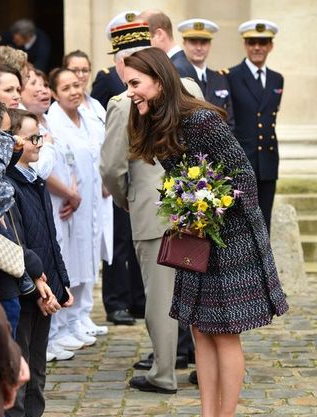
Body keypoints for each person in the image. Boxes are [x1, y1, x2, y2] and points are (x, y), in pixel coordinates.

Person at [123, 47, 288, 417]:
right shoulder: (155, 122)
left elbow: (244, 178)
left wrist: (202, 207)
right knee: (199, 330)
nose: (130, 93)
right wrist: (184, 209)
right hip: (196, 239)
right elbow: (182, 180)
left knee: (223, 332)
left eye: (134, 84)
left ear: (159, 81)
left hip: (230, 239)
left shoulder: (201, 120)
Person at [101, 23, 204, 393]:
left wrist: (126, 199)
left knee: (160, 297)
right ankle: (202, 365)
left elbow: (112, 168)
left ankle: (163, 373)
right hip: (193, 207)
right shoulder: (189, 88)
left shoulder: (121, 104)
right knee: (194, 289)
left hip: (151, 211)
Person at [6, 109, 73, 417]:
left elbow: (50, 238)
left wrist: (60, 283)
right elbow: (18, 245)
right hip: (26, 290)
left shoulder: (35, 181)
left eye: (40, 137)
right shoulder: (9, 185)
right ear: (13, 142)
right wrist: (37, 289)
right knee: (22, 364)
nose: (39, 144)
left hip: (47, 288)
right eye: (33, 138)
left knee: (38, 365)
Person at [134, 9, 198, 371]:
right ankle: (183, 349)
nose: (129, 92)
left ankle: (179, 351)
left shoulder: (181, 79)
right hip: (179, 203)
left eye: (134, 84)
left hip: (184, 207)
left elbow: (204, 160)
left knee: (175, 285)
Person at [46, 67, 109, 347]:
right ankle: (65, 320)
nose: (74, 91)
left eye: (76, 85)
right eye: (66, 88)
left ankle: (81, 315)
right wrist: (69, 193)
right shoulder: (54, 123)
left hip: (91, 199)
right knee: (69, 259)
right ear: (54, 94)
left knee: (88, 255)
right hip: (67, 202)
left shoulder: (87, 116)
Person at [92, 11, 145, 326]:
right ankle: (116, 302)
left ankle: (139, 299)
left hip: (141, 169)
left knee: (140, 238)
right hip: (117, 170)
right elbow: (101, 127)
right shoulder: (107, 79)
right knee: (119, 241)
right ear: (120, 57)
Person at [226, 19, 283, 234]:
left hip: (268, 163)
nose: (257, 47)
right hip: (242, 162)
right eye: (252, 42)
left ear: (270, 46)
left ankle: (264, 268)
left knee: (264, 224)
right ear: (245, 45)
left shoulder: (277, 79)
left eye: (263, 42)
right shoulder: (231, 76)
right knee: (241, 225)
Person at [177, 18, 234, 129]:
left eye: (204, 42)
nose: (199, 48)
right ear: (184, 43)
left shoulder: (220, 78)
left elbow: (230, 121)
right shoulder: (178, 77)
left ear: (210, 45)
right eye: (193, 42)